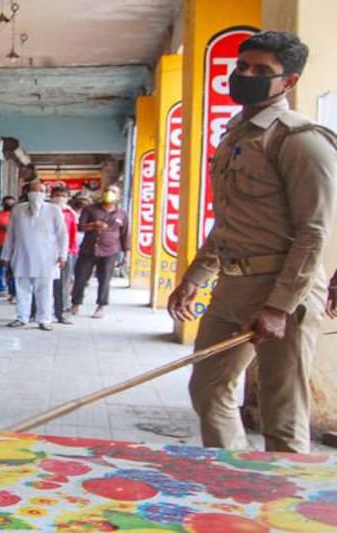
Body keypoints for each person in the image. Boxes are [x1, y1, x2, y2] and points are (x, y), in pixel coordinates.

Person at [168, 31, 337, 454]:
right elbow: (229, 222)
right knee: (209, 390)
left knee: (281, 413)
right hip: (231, 286)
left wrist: (280, 307)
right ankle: (235, 480)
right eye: (242, 67)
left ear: (290, 82)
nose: (245, 75)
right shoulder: (236, 137)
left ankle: (284, 505)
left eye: (262, 71)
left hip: (283, 290)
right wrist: (195, 276)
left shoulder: (301, 141)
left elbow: (314, 232)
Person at [1, 180, 68, 331]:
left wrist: (63, 255)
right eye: (33, 190)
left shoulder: (54, 210)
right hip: (22, 255)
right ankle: (21, 317)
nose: (36, 194)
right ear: (27, 193)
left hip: (47, 257)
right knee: (22, 288)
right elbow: (10, 234)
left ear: (45, 194)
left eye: (40, 191)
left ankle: (44, 319)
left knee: (44, 289)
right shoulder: (18, 210)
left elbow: (62, 234)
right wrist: (6, 255)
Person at [70, 184, 129, 319]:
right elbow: (80, 227)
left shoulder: (122, 214)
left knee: (105, 280)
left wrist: (126, 254)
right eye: (107, 190)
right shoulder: (90, 209)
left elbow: (125, 234)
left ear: (119, 196)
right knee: (81, 278)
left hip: (110, 251)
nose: (109, 193)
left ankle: (101, 306)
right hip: (89, 249)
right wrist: (93, 225)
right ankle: (75, 304)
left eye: (113, 192)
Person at [51, 184, 77, 324]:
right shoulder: (45, 211)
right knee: (42, 283)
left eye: (63, 196)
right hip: (46, 252)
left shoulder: (69, 214)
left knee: (63, 284)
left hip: (65, 253)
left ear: (68, 198)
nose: (60, 198)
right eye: (57, 195)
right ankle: (35, 312)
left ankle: (62, 313)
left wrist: (70, 252)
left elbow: (72, 234)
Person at [0, 195, 17, 298]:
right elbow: (6, 227)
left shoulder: (16, 215)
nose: (9, 205)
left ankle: (13, 291)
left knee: (13, 269)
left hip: (15, 245)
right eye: (7, 203)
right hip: (2, 244)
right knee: (1, 267)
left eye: (11, 203)